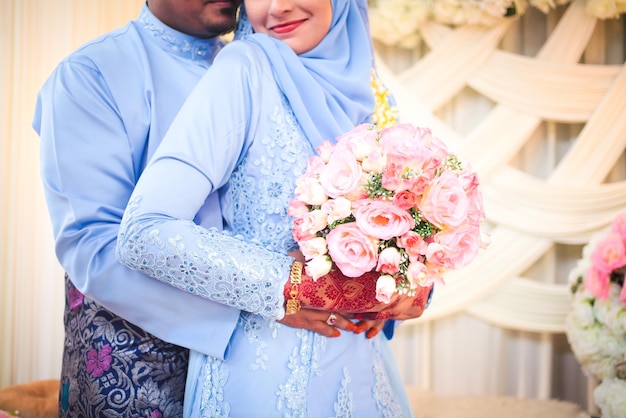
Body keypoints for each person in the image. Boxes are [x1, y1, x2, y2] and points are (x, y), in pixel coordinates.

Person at [33, 1, 368, 416]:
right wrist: (266, 295)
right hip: (134, 358)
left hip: (266, 357)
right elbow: (93, 245)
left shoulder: (272, 62)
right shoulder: (92, 73)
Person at [116, 0, 432, 416]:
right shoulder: (244, 69)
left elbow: (397, 224)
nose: (278, 8)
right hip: (262, 370)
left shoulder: (364, 84)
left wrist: (409, 284)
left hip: (361, 367)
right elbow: (144, 232)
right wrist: (288, 286)